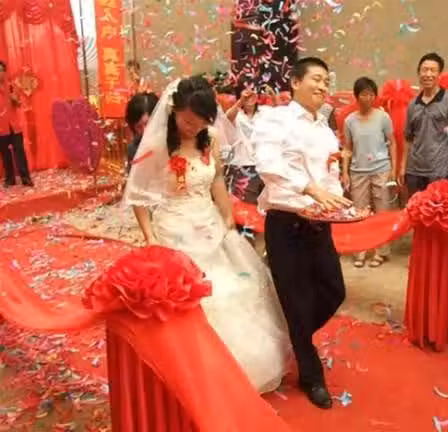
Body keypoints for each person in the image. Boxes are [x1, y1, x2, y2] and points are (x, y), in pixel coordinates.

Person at [123, 75, 290, 393]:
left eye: (201, 120)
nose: (194, 127)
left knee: (232, 287)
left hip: (209, 222)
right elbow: (138, 195)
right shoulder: (157, 145)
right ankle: (194, 375)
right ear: (173, 111)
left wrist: (227, 215)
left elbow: (216, 180)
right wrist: (150, 237)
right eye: (188, 120)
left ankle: (239, 370)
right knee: (192, 299)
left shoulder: (209, 138)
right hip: (173, 228)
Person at [253, 57, 353, 409]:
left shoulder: (325, 128)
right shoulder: (274, 119)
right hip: (286, 223)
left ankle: (291, 334)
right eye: (316, 79)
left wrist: (341, 204)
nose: (323, 86)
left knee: (334, 290)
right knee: (296, 301)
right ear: (295, 82)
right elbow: (267, 165)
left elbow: (330, 178)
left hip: (320, 223)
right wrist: (310, 190)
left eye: (327, 81)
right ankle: (312, 377)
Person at [342, 77, 397, 268]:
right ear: (357, 96)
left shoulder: (383, 117)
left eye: (371, 94)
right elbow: (347, 148)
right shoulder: (349, 121)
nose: (368, 98)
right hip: (358, 171)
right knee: (359, 213)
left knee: (382, 212)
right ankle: (360, 250)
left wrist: (394, 169)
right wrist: (345, 172)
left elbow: (393, 143)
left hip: (381, 170)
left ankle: (381, 252)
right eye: (364, 94)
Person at [401, 52, 448, 197]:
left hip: (439, 170)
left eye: (433, 70)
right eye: (424, 70)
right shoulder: (413, 104)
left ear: (439, 74)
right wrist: (403, 167)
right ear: (419, 73)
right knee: (415, 208)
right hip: (414, 171)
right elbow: (408, 138)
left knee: (438, 208)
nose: (428, 74)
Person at [0, 60, 33, 188]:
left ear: (5, 72)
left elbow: (19, 104)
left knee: (20, 152)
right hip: (1, 128)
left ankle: (26, 178)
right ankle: (10, 179)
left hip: (15, 126)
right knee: (5, 154)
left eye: (1, 70)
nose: (0, 73)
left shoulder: (12, 86)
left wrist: (16, 100)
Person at [125, 92, 159, 174]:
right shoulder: (133, 149)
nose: (144, 132)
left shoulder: (173, 142)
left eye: (147, 123)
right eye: (138, 127)